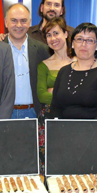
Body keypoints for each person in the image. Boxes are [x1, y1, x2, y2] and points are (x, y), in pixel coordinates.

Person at [50, 23, 97, 119]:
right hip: (63, 129)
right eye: (79, 39)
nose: (84, 44)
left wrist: (89, 129)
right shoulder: (64, 71)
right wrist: (61, 126)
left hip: (94, 129)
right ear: (73, 44)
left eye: (90, 40)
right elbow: (55, 106)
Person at [37, 17, 73, 173]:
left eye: (56, 33)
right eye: (49, 35)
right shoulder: (44, 65)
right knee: (50, 167)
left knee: (73, 163)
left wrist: (55, 90)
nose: (53, 38)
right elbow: (42, 96)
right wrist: (70, 93)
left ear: (65, 33)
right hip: (48, 120)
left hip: (75, 118)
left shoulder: (81, 61)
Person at [2, 3, 50, 118]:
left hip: (33, 113)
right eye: (14, 20)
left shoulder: (42, 49)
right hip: (4, 113)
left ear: (29, 22)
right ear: (5, 22)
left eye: (23, 20)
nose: (19, 25)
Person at [0, 0, 75, 45]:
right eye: (48, 4)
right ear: (41, 8)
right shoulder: (26, 33)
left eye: (56, 5)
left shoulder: (72, 34)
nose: (52, 8)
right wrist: (4, 38)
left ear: (62, 10)